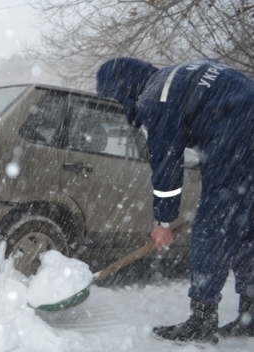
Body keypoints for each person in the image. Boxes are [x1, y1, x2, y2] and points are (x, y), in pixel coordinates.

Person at [96, 57, 254, 344]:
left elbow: (168, 162)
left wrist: (164, 220)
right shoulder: (172, 77)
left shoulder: (156, 98)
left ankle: (202, 321)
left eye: (117, 99)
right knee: (246, 226)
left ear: (123, 88)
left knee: (214, 227)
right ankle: (251, 315)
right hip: (243, 123)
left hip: (237, 132)